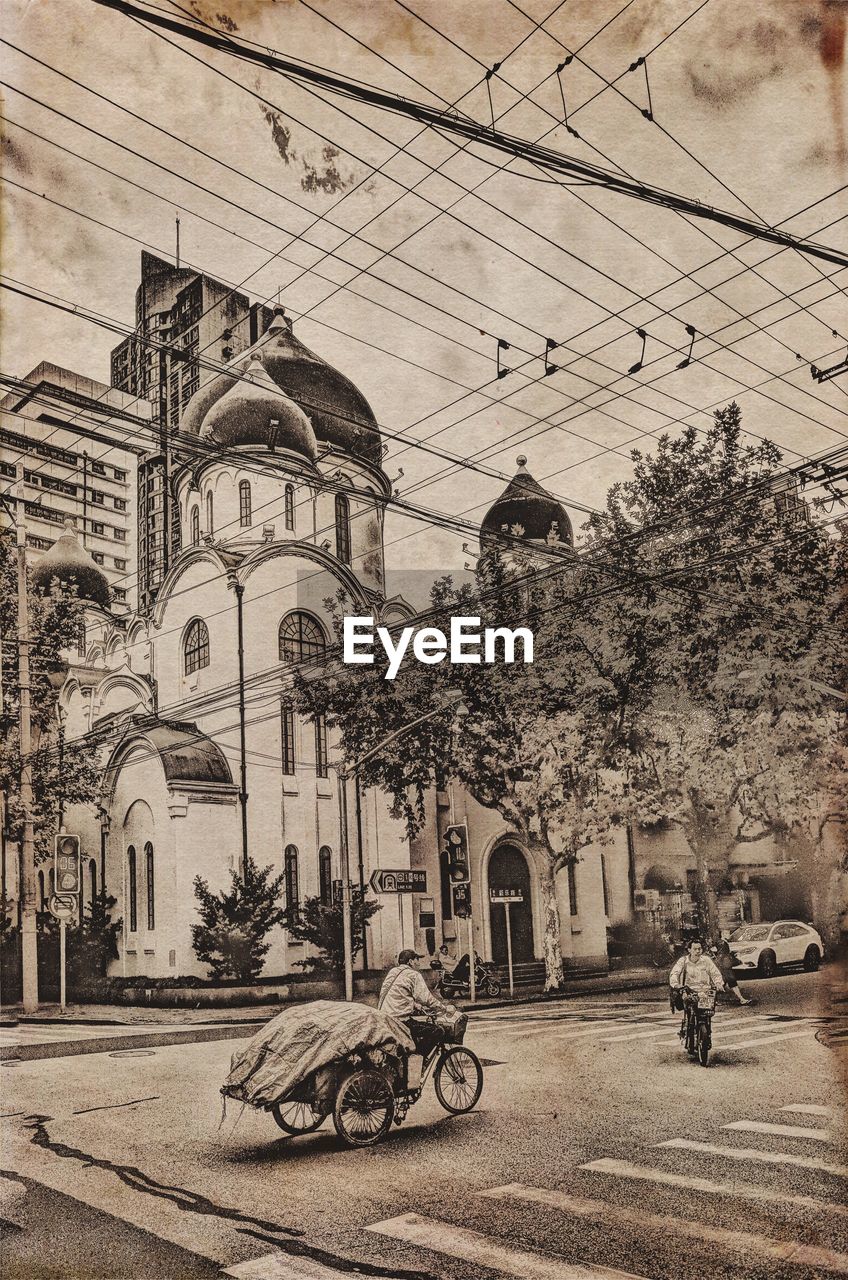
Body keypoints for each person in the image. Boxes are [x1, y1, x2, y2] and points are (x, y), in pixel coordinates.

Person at [378, 949, 460, 1055]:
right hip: (401, 1021)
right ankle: (418, 1060)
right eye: (417, 959)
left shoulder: (393, 972)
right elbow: (426, 999)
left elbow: (398, 994)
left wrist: (415, 1005)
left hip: (386, 1018)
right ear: (411, 962)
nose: (419, 963)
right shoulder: (414, 975)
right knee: (438, 1031)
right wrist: (444, 1008)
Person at [669, 938, 726, 1039]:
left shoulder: (706, 961)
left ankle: (707, 1029)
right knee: (689, 1009)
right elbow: (675, 973)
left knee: (708, 1012)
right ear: (689, 950)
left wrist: (718, 983)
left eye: (699, 949)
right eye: (695, 949)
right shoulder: (683, 961)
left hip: (705, 991)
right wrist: (676, 984)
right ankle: (687, 1026)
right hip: (689, 991)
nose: (697, 951)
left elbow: (715, 973)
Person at [716, 939, 752, 1005]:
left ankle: (741, 999)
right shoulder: (725, 956)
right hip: (727, 973)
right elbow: (728, 964)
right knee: (732, 985)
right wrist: (737, 960)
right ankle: (741, 999)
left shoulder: (719, 956)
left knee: (720, 986)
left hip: (723, 973)